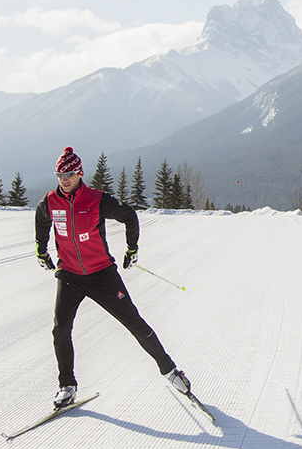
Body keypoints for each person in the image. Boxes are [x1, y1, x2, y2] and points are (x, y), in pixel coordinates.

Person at [34, 147, 192, 409]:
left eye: (70, 174)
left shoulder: (96, 199)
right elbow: (41, 222)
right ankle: (67, 386)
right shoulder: (50, 202)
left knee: (134, 322)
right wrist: (41, 250)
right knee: (60, 328)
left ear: (80, 173)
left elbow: (130, 216)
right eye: (60, 174)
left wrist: (132, 249)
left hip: (101, 275)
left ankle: (170, 370)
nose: (64, 179)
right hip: (70, 274)